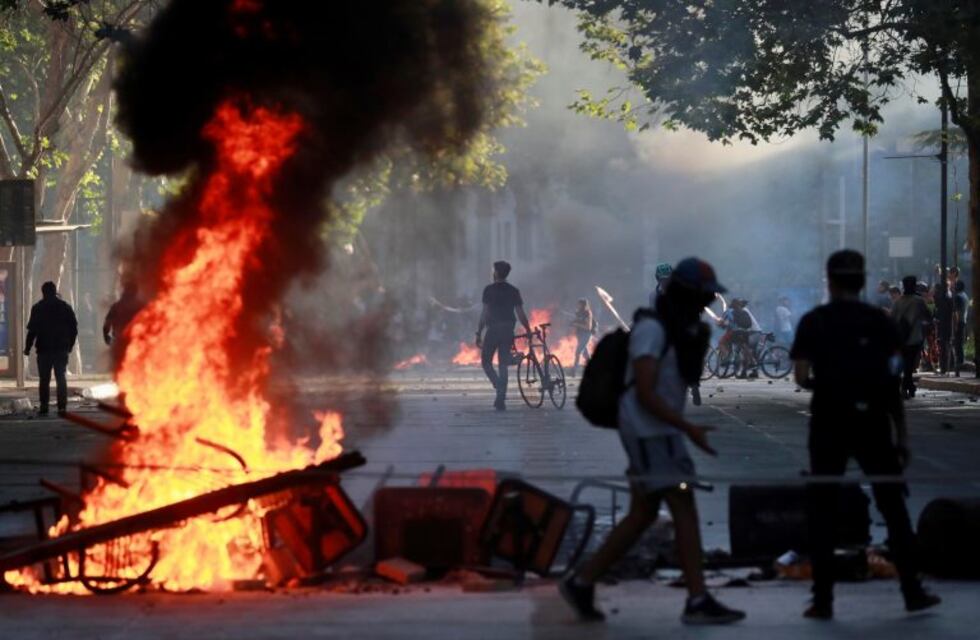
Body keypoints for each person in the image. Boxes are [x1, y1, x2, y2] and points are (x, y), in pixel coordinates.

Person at [560, 257, 745, 626]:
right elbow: (644, 391)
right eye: (703, 296)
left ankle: (582, 581)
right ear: (686, 295)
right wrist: (686, 428)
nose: (705, 303)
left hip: (659, 432)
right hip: (650, 433)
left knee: (643, 514)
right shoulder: (652, 331)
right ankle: (697, 599)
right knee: (683, 508)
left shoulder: (675, 329)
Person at [790, 250, 940, 620]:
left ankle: (822, 599)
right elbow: (892, 384)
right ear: (861, 280)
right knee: (893, 508)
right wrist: (901, 436)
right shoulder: (878, 321)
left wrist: (826, 382)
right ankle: (912, 591)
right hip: (874, 422)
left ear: (830, 281)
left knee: (823, 510)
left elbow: (800, 375)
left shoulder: (815, 321)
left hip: (828, 422)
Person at [476, 261, 531, 411]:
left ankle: (499, 386)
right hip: (508, 329)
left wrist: (479, 332)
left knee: (486, 361)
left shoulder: (488, 290)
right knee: (503, 363)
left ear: (496, 273)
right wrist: (528, 329)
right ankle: (501, 397)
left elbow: (484, 313)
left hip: (493, 329)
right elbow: (520, 314)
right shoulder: (513, 290)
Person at [24, 281, 78, 416]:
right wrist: (69, 346)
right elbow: (74, 329)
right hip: (61, 349)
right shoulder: (65, 307)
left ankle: (44, 406)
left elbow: (32, 331)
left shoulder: (38, 308)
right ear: (55, 291)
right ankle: (62, 407)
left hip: (44, 349)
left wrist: (27, 348)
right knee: (61, 378)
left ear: (43, 292)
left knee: (44, 379)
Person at [891, 276, 932, 398]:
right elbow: (928, 315)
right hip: (915, 338)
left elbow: (892, 319)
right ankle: (907, 386)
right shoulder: (919, 301)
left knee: (905, 364)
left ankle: (907, 386)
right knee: (910, 364)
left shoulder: (898, 302)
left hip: (900, 338)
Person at [103, 281, 142, 364]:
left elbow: (107, 323)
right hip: (131, 340)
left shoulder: (117, 306)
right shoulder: (139, 306)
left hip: (121, 339)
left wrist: (106, 335)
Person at [933, 282, 953, 375]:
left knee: (943, 345)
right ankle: (946, 366)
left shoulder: (941, 299)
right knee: (945, 345)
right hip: (946, 325)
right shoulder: (948, 297)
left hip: (943, 325)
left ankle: (945, 366)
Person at [571, 298, 594, 373]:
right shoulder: (578, 313)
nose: (577, 305)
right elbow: (576, 322)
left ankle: (574, 371)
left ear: (583, 305)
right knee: (585, 354)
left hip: (586, 334)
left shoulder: (587, 313)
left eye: (579, 304)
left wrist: (577, 324)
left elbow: (588, 327)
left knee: (578, 352)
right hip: (580, 335)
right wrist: (573, 323)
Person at [952, 280, 969, 377]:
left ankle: (959, 364)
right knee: (960, 343)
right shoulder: (965, 296)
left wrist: (955, 325)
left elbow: (957, 312)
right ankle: (961, 362)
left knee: (957, 344)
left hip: (959, 322)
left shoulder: (958, 297)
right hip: (964, 321)